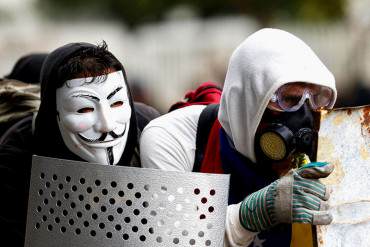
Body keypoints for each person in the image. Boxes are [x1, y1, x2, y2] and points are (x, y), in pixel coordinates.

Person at [140, 28, 337, 247]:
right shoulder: (173, 138)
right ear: (248, 101)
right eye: (288, 99)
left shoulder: (329, 148)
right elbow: (171, 239)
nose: (303, 115)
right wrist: (250, 216)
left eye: (316, 99)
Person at [0, 42, 160, 246]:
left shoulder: (149, 131)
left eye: (117, 103)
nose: (107, 125)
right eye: (84, 109)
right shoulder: (18, 152)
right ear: (53, 114)